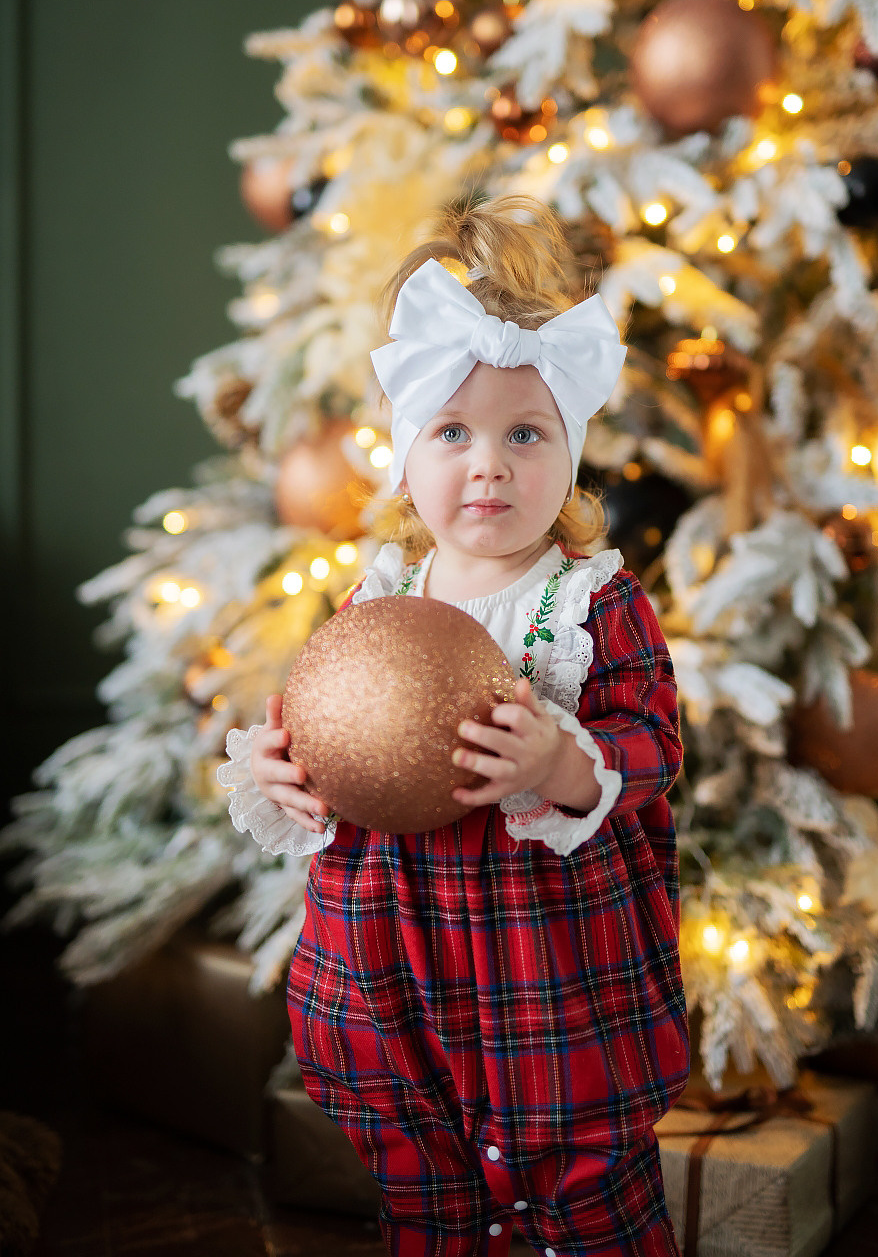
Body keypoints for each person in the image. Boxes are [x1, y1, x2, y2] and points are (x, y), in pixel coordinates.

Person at [218, 196, 688, 1256]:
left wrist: (563, 762)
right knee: (426, 1198)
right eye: (453, 432)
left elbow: (654, 751)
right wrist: (282, 769)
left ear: (570, 452)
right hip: (391, 960)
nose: (489, 465)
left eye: (526, 433)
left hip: (544, 969)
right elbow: (319, 723)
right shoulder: (375, 601)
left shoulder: (592, 605)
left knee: (586, 1192)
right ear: (402, 455)